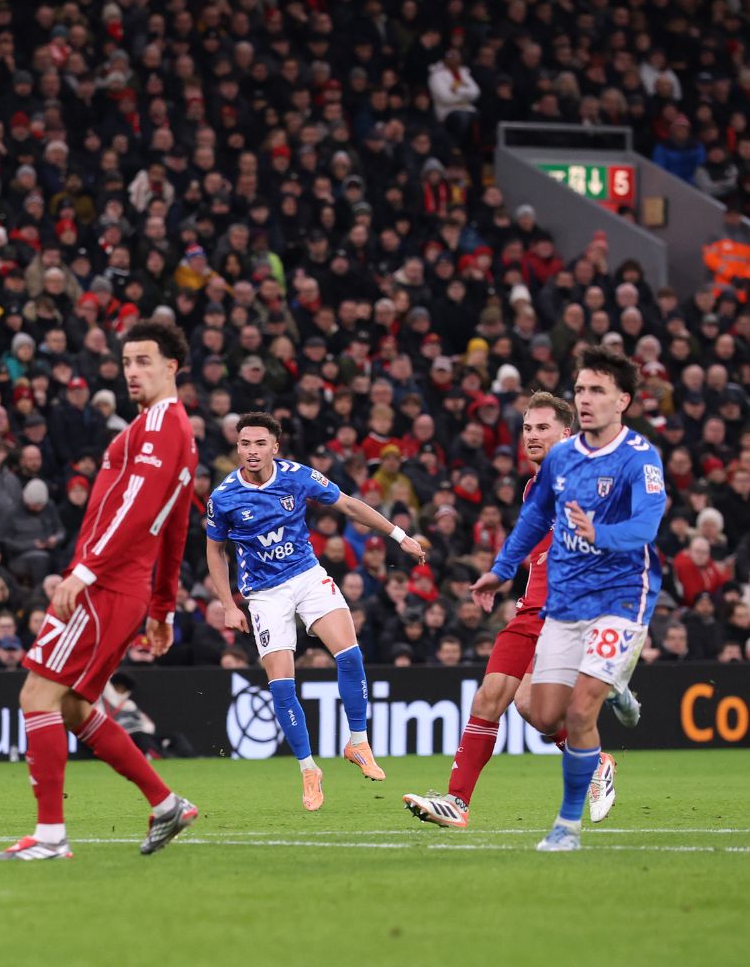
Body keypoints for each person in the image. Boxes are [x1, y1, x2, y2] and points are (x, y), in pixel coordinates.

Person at [0, 323, 198, 861]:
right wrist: (163, 607)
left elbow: (137, 509)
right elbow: (175, 526)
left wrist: (85, 570)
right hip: (125, 590)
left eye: (144, 361)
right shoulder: (177, 432)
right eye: (127, 361)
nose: (133, 371)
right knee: (77, 708)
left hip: (105, 585)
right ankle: (166, 802)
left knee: (37, 697)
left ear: (171, 366)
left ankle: (52, 837)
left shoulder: (157, 427)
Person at [472, 347, 667, 852]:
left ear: (622, 400)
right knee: (539, 711)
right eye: (580, 389)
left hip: (621, 596)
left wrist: (601, 532)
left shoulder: (640, 458)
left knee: (581, 713)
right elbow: (532, 523)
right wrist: (498, 572)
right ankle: (618, 686)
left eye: (597, 390)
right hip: (566, 602)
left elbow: (646, 526)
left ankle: (566, 827)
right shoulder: (561, 460)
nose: (585, 399)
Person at [403, 392, 628, 827]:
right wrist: (497, 574)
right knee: (515, 704)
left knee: (534, 711)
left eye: (542, 428)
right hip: (531, 610)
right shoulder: (533, 487)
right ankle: (458, 803)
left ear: (567, 434)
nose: (531, 436)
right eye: (527, 428)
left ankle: (594, 760)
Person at [205, 413, 426, 811]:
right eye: (244, 444)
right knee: (282, 685)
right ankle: (309, 769)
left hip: (307, 576)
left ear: (275, 446)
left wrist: (399, 535)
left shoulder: (297, 475)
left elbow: (348, 505)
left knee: (350, 654)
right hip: (265, 595)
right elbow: (214, 550)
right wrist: (227, 604)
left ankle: (358, 743)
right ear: (237, 448)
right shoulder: (223, 497)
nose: (251, 451)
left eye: (259, 444)